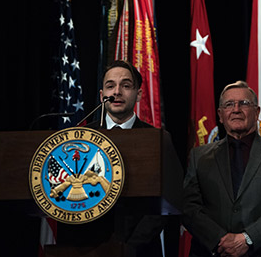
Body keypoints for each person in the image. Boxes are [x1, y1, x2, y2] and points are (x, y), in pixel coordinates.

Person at [59, 60, 181, 257]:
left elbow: (169, 199)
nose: (117, 92)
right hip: (84, 249)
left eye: (126, 85)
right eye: (110, 86)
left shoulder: (158, 139)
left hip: (140, 250)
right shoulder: (78, 139)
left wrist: (130, 247)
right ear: (102, 96)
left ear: (138, 94)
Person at [183, 81, 261, 257]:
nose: (236, 109)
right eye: (229, 104)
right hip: (211, 251)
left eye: (244, 103)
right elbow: (189, 207)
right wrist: (219, 240)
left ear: (257, 112)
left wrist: (247, 238)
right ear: (220, 115)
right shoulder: (198, 156)